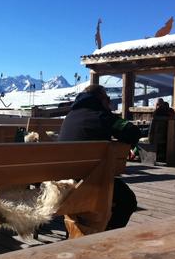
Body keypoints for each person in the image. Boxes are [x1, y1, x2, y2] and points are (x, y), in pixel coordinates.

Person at [58, 84, 141, 230]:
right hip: (89, 183)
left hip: (63, 181)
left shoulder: (70, 116)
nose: (109, 102)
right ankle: (105, 236)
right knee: (127, 200)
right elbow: (133, 132)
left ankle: (79, 231)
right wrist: (111, 116)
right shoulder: (101, 116)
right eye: (108, 99)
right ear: (101, 99)